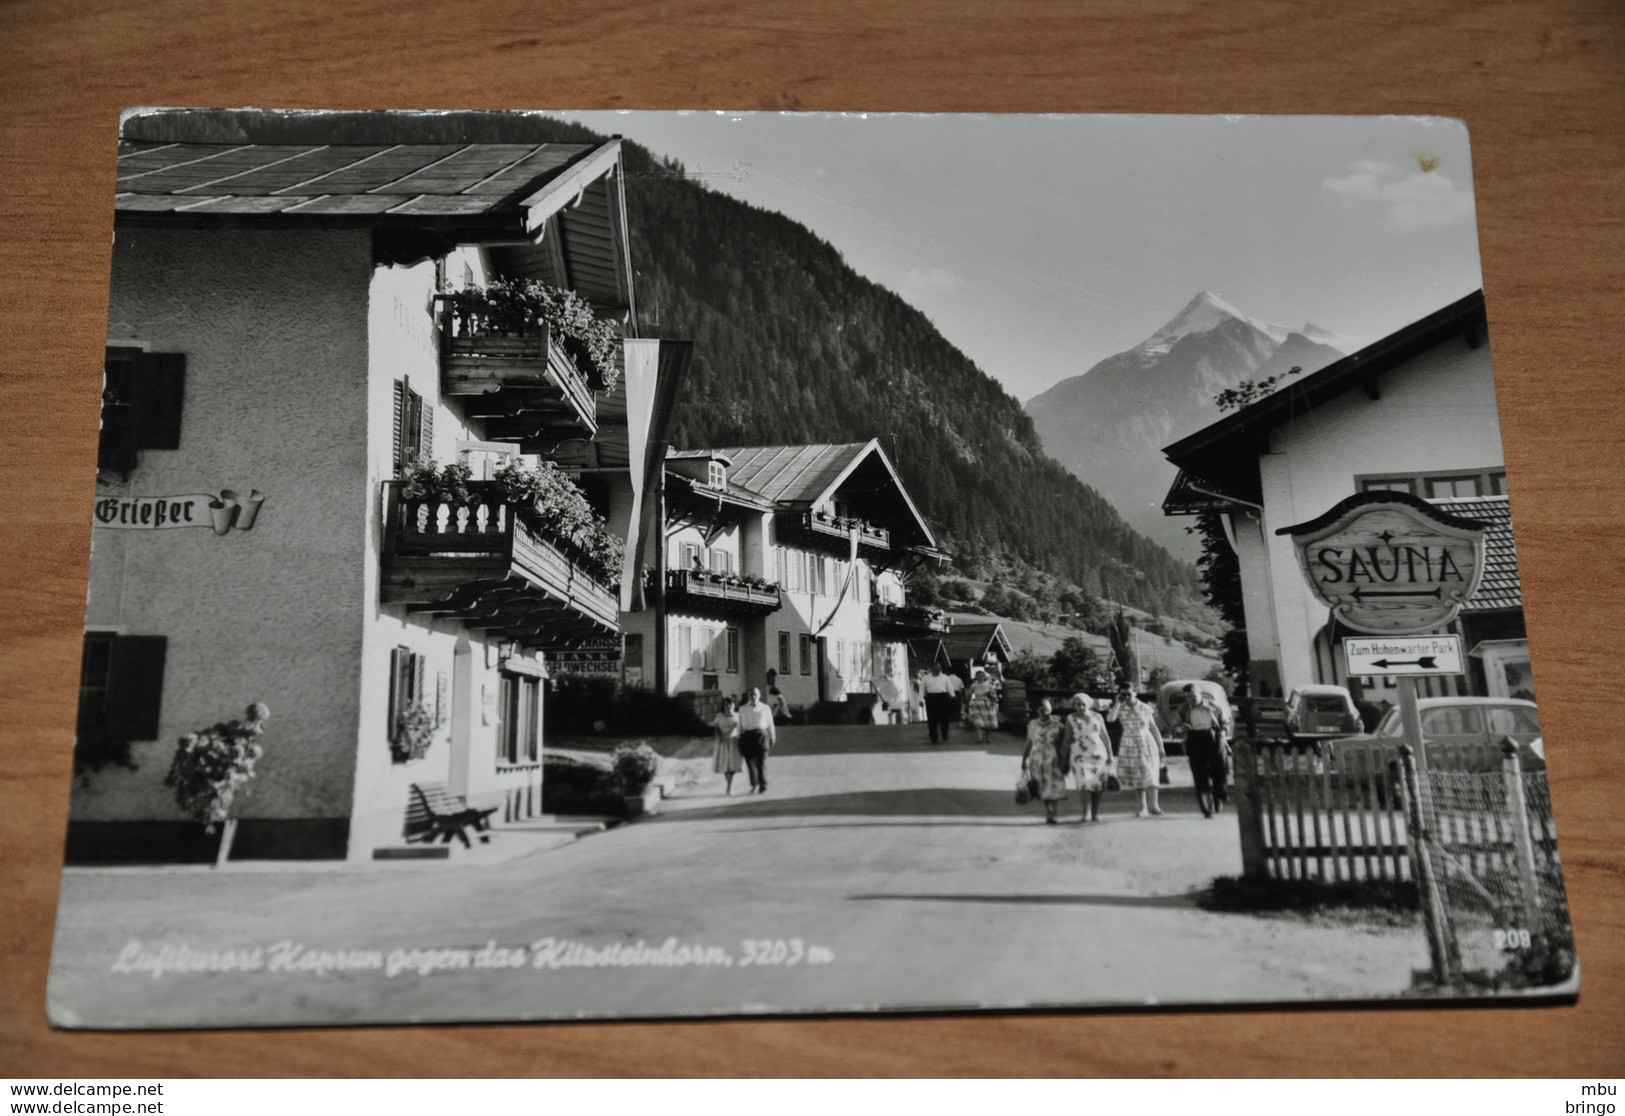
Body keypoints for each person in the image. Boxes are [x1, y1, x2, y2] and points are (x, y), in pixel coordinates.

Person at [1112, 685, 1165, 818]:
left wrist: (1161, 746)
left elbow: (1153, 727)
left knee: (1151, 773)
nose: (1126, 697)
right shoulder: (1121, 708)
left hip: (1146, 742)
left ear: (1135, 693)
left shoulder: (1145, 708)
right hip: (1129, 742)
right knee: (1137, 775)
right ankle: (1143, 807)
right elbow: (1110, 719)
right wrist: (1117, 703)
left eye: (1129, 694)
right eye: (1123, 694)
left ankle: (1154, 806)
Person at [1181, 683, 1231, 818]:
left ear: (1200, 694)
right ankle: (1206, 808)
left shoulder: (1214, 706)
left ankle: (1218, 798)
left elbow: (1225, 723)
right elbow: (1177, 727)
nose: (1191, 699)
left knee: (1219, 771)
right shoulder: (1184, 709)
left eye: (1193, 696)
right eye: (1188, 697)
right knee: (1200, 775)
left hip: (1213, 737)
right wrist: (1182, 727)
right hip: (1195, 739)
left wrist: (1223, 733)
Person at [1066, 692, 1114, 823]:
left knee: (1098, 784)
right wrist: (1064, 758)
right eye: (1078, 704)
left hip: (1098, 754)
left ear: (1089, 704)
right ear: (1074, 705)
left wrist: (1110, 754)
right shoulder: (1071, 718)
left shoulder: (1097, 716)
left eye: (1083, 704)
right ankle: (1086, 812)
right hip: (1079, 755)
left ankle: (1095, 812)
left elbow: (1105, 736)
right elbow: (1066, 739)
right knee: (1084, 783)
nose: (1081, 707)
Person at [1021, 698, 1070, 824]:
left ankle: (1054, 814)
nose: (1045, 712)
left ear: (1051, 709)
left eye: (1048, 710)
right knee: (1041, 786)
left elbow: (1065, 744)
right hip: (1036, 759)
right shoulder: (1032, 724)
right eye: (1042, 710)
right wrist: (1024, 759)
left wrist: (1065, 760)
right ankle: (1049, 813)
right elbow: (1029, 742)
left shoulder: (1058, 724)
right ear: (1037, 710)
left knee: (1054, 786)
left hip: (1053, 758)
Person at [736, 687, 776, 793]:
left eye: (755, 694)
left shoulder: (765, 708)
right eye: (751, 695)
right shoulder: (742, 709)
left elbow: (770, 723)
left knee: (761, 761)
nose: (753, 696)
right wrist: (738, 736)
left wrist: (772, 736)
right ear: (748, 696)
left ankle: (763, 784)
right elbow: (739, 724)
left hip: (761, 735)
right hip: (747, 736)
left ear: (759, 695)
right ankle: (754, 784)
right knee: (750, 762)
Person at [711, 697, 743, 796]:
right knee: (724, 765)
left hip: (734, 742)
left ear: (734, 706)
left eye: (730, 704)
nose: (728, 706)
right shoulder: (719, 716)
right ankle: (729, 785)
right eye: (726, 704)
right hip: (722, 742)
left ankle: (730, 785)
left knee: (732, 764)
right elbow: (716, 729)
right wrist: (720, 737)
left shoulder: (738, 716)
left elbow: (742, 730)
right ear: (724, 706)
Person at [921, 663, 958, 745]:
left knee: (944, 718)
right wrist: (921, 699)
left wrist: (953, 696)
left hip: (943, 698)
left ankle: (945, 734)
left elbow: (950, 688)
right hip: (931, 698)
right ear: (932, 669)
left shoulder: (945, 677)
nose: (938, 670)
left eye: (939, 668)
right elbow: (922, 689)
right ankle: (934, 737)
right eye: (936, 668)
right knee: (932, 719)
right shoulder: (926, 678)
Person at [966, 669, 1000, 745]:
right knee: (978, 721)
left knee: (988, 722)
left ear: (984, 677)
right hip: (977, 703)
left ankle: (987, 737)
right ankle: (980, 738)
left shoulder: (989, 685)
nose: (980, 678)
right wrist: (968, 702)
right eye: (978, 676)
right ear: (976, 677)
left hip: (987, 704)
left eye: (981, 676)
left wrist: (994, 701)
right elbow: (969, 695)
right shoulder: (974, 685)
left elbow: (994, 695)